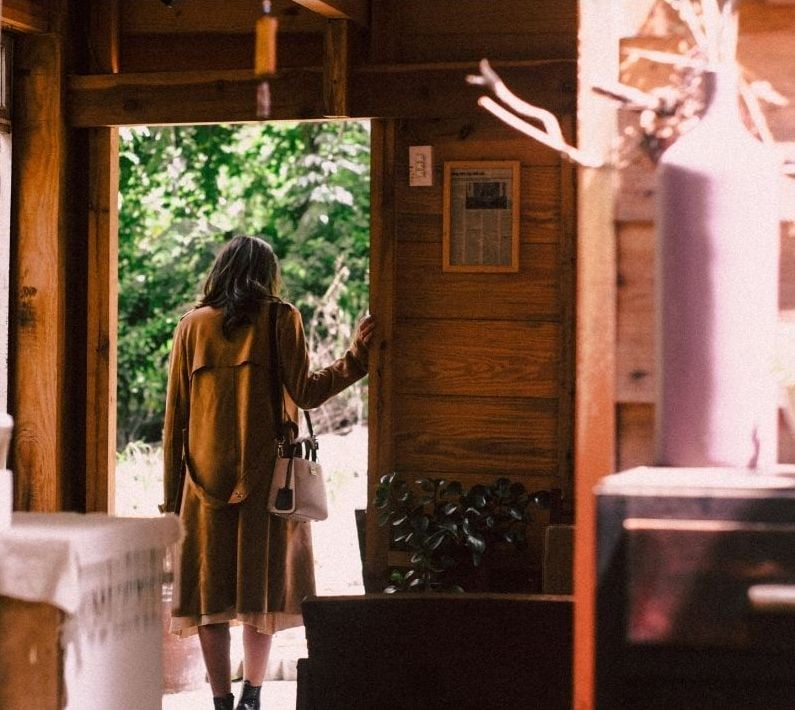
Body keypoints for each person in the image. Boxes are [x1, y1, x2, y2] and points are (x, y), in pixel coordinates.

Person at [162, 235, 374, 710]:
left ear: (220, 272)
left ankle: (220, 702)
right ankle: (252, 697)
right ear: (267, 275)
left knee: (208, 598)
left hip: (201, 485)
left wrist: (170, 497)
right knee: (261, 594)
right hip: (268, 483)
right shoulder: (281, 318)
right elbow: (307, 392)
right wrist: (357, 357)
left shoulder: (191, 326)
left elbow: (175, 418)